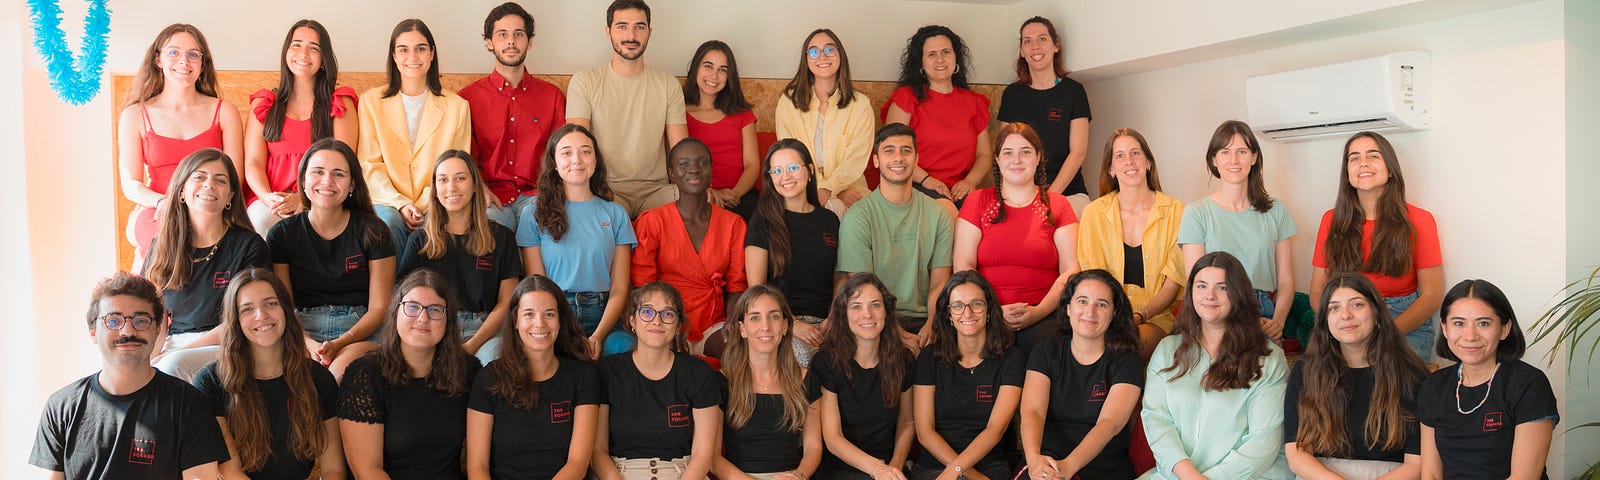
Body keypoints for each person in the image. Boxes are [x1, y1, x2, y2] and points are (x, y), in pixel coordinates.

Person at [30, 272, 229, 479]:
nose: (127, 331)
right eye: (113, 321)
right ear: (92, 332)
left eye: (141, 321)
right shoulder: (61, 407)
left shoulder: (189, 405)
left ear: (157, 329)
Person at [1140, 251, 1290, 480]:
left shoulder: (1269, 359)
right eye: (1201, 286)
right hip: (1178, 475)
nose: (1209, 295)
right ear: (1191, 292)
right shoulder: (1167, 350)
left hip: (1249, 476)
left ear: (1238, 294)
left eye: (1222, 287)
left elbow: (1263, 442)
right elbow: (1156, 419)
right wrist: (1189, 475)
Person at [192, 268, 345, 480]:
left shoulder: (318, 379)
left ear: (285, 309)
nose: (261, 316)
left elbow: (333, 470)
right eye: (247, 309)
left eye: (270, 304)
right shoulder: (211, 382)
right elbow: (229, 470)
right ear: (234, 319)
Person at [118, 23, 244, 268]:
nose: (184, 61)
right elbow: (131, 184)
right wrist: (162, 203)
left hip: (212, 205)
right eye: (174, 52)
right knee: (163, 244)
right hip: (159, 208)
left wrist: (208, 204)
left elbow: (235, 176)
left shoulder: (224, 111)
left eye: (193, 54)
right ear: (158, 59)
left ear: (202, 64)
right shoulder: (135, 114)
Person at [265, 139, 394, 378]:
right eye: (318, 172)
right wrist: (307, 342)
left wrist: (341, 342)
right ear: (303, 180)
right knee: (299, 376)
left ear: (352, 184)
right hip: (301, 329)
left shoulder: (374, 230)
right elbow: (283, 306)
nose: (327, 181)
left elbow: (379, 308)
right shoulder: (282, 235)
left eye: (339, 174)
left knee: (338, 375)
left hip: (360, 330)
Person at [1311, 131, 1443, 362]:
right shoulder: (1331, 220)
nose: (1363, 163)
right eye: (1354, 158)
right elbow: (1316, 292)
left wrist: (1383, 333)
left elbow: (1431, 295)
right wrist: (1343, 324)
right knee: (1320, 370)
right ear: (1348, 174)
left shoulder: (1420, 219)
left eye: (1373, 156)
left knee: (1380, 367)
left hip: (1402, 323)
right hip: (1346, 318)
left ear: (1390, 169)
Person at [339, 269, 483, 480]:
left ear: (448, 320)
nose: (423, 318)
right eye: (412, 307)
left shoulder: (468, 371)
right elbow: (367, 471)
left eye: (435, 310)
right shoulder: (364, 375)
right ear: (396, 312)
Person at [143, 148, 270, 382]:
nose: (209, 185)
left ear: (231, 196)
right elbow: (155, 314)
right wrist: (150, 357)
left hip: (231, 343)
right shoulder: (162, 245)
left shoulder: (249, 246)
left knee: (172, 366)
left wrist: (177, 353)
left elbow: (243, 319)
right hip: (175, 343)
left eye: (220, 180)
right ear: (182, 191)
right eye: (199, 177)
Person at [1284, 272, 1426, 480]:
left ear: (1377, 313)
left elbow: (1417, 463)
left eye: (1357, 305)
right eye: (1334, 307)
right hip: (1321, 475)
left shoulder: (1410, 374)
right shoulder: (1306, 371)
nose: (1346, 315)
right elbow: (1296, 453)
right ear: (1325, 321)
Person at [954, 122, 1078, 355]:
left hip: (1045, 316)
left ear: (1039, 157)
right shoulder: (977, 201)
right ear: (998, 160)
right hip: (985, 314)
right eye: (1008, 153)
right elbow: (963, 266)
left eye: (1026, 152)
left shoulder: (1059, 205)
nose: (1016, 160)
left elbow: (1070, 270)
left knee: (1048, 352)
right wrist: (993, 310)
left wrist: (1038, 312)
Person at [1417, 279, 1557, 480]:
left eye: (1483, 323)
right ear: (1445, 328)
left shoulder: (1529, 384)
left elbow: (1524, 477)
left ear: (1504, 329)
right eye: (1459, 323)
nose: (1470, 335)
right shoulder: (1433, 386)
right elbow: (1431, 474)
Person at [519, 124, 638, 355]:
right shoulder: (533, 213)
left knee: (625, 348)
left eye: (585, 151)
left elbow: (620, 287)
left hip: (604, 315)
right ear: (554, 162)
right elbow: (537, 285)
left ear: (595, 160)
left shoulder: (616, 213)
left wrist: (597, 337)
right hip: (554, 313)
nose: (577, 160)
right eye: (566, 152)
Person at [466, 275, 600, 480]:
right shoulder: (488, 378)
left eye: (549, 314)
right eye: (529, 314)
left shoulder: (583, 375)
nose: (540, 323)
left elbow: (577, 464)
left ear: (561, 320)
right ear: (515, 320)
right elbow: (477, 467)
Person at [358, 19, 473, 254]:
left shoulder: (457, 106)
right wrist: (400, 204)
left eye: (421, 48)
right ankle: (396, 290)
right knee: (388, 223)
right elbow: (369, 165)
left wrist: (423, 204)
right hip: (387, 200)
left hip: (438, 198)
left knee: (438, 223)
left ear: (431, 54)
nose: (413, 57)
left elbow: (457, 167)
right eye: (403, 49)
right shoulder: (370, 102)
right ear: (394, 55)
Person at [566, 0, 689, 217]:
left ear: (649, 32)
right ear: (608, 31)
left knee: (692, 204)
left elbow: (682, 150)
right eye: (622, 26)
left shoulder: (668, 84)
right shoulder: (585, 81)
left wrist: (696, 189)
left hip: (657, 190)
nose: (631, 35)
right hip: (605, 188)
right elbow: (577, 145)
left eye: (639, 27)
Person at [837, 124, 955, 351]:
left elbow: (939, 282)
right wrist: (899, 334)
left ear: (916, 158)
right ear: (876, 161)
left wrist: (932, 324)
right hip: (875, 319)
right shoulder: (858, 216)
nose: (898, 158)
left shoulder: (938, 213)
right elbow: (864, 288)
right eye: (889, 150)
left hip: (925, 319)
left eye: (906, 151)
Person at [398, 150, 522, 364]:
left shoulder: (502, 238)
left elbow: (506, 303)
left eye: (460, 178)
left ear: (475, 185)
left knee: (493, 363)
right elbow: (403, 301)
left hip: (486, 332)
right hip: (434, 326)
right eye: (443, 180)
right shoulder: (420, 240)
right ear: (435, 190)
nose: (451, 187)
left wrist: (471, 345)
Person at [1020, 269, 1145, 480]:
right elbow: (1033, 412)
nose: (1090, 311)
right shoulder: (1044, 352)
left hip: (1104, 467)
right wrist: (1033, 460)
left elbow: (1110, 423)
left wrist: (1068, 467)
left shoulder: (1127, 360)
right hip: (1045, 463)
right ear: (1068, 308)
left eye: (1102, 304)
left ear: (1114, 313)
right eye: (1082, 301)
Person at [593, 282, 724, 480]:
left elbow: (703, 455)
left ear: (678, 325)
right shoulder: (607, 371)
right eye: (647, 312)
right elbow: (597, 451)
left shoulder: (699, 373)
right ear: (632, 321)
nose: (657, 321)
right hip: (620, 475)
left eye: (668, 313)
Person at [1178, 120, 1295, 339]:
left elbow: (1286, 282)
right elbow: (1196, 283)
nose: (1233, 160)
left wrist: (1277, 322)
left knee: (1267, 368)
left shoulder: (1276, 211)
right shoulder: (1196, 213)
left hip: (1262, 310)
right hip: (1214, 309)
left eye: (1241, 151)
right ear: (1214, 159)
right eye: (1225, 152)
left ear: (1254, 157)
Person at [632, 138, 749, 353]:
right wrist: (667, 325)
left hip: (714, 325)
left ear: (711, 170)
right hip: (664, 322)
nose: (694, 169)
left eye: (702, 163)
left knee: (737, 346)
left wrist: (732, 326)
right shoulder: (652, 221)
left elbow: (736, 288)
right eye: (684, 164)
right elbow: (643, 289)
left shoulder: (734, 224)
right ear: (672, 174)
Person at [244, 19, 359, 235]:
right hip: (270, 199)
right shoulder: (264, 104)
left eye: (313, 48)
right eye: (296, 44)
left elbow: (344, 165)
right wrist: (269, 198)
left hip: (323, 196)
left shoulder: (340, 103)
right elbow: (253, 163)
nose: (303, 53)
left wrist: (303, 199)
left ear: (324, 58)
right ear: (286, 51)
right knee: (261, 218)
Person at [1078, 128, 1184, 358]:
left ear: (1148, 162)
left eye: (1135, 153)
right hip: (1103, 316)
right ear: (1111, 169)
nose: (1129, 161)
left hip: (1154, 317)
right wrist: (1112, 320)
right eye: (1120, 156)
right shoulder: (1093, 214)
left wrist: (1139, 317)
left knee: (1127, 349)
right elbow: (1093, 279)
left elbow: (1172, 284)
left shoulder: (1175, 211)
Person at [460, 2, 567, 231]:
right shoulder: (467, 99)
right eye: (502, 34)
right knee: (488, 231)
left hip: (538, 196)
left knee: (550, 228)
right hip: (489, 196)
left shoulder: (552, 97)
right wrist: (480, 189)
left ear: (530, 42)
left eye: (518, 34)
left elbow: (562, 156)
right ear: (489, 42)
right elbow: (464, 157)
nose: (511, 41)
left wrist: (550, 194)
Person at [910, 271, 1024, 480]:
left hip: (989, 467)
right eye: (958, 306)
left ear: (989, 309)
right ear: (949, 314)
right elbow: (925, 432)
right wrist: (961, 472)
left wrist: (960, 472)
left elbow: (995, 430)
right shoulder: (930, 358)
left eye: (976, 304)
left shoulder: (1011, 359)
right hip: (935, 468)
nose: (967, 313)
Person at [810, 273, 917, 480]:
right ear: (844, 314)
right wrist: (877, 470)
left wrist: (894, 468)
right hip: (840, 470)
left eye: (875, 305)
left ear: (886, 311)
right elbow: (833, 438)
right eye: (856, 306)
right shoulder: (826, 362)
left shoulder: (903, 360)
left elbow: (907, 422)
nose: (867, 314)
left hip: (888, 467)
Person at [714, 285, 824, 480]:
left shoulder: (806, 379)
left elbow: (813, 448)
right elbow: (712, 458)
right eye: (755, 317)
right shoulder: (722, 381)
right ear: (742, 329)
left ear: (784, 326)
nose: (765, 326)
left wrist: (798, 476)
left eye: (773, 316)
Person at [746, 139, 838, 366]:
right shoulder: (763, 220)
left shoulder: (829, 220)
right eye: (777, 171)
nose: (785, 176)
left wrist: (834, 317)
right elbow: (757, 286)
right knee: (807, 358)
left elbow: (840, 277)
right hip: (780, 321)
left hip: (829, 320)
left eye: (793, 168)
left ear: (810, 170)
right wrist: (793, 323)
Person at [882, 25, 990, 204]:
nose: (940, 59)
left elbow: (985, 154)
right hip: (914, 186)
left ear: (956, 58)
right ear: (921, 63)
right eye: (931, 54)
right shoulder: (906, 99)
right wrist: (926, 180)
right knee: (946, 214)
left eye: (946, 52)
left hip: (960, 191)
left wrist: (970, 182)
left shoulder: (974, 102)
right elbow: (891, 153)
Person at [773, 28, 875, 217]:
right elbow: (791, 155)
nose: (822, 56)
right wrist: (821, 191)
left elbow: (856, 159)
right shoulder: (788, 102)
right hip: (800, 185)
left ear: (840, 54)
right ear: (806, 59)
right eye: (813, 51)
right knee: (827, 210)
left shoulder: (860, 105)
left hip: (850, 189)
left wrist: (831, 190)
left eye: (829, 49)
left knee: (862, 216)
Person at [998, 16, 1093, 212]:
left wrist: (1049, 197)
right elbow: (1004, 151)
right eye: (1027, 41)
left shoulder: (1073, 91)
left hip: (1068, 193)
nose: (1035, 47)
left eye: (1042, 39)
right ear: (1022, 52)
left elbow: (1078, 153)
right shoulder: (1012, 94)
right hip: (1020, 193)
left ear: (1055, 45)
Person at [684, 40, 759, 219]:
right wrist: (709, 193)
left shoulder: (742, 113)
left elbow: (752, 164)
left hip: (740, 197)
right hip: (695, 196)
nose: (714, 76)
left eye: (722, 70)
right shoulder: (678, 113)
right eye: (708, 66)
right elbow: (675, 164)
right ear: (696, 68)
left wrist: (734, 194)